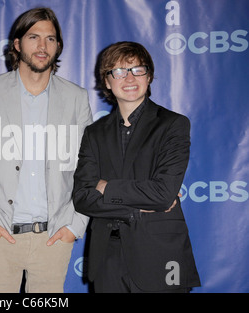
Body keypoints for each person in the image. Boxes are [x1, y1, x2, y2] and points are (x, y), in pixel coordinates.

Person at [0, 7, 92, 292]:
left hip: (54, 237)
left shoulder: (76, 98)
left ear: (58, 47)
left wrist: (75, 225)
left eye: (51, 39)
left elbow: (89, 168)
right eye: (34, 37)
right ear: (17, 45)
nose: (42, 46)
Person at [73, 41, 200, 293]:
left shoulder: (173, 125)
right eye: (118, 71)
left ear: (149, 76)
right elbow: (82, 197)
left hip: (160, 255)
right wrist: (136, 208)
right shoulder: (94, 133)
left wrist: (106, 187)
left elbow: (163, 194)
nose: (129, 78)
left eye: (137, 69)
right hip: (106, 259)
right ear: (107, 82)